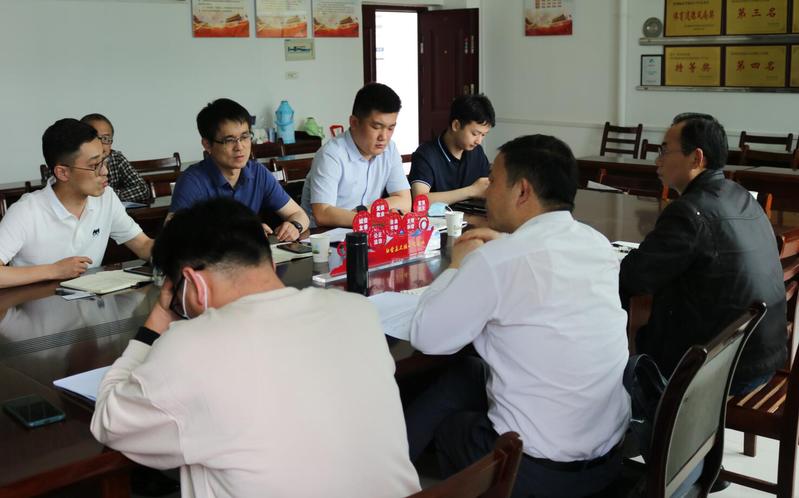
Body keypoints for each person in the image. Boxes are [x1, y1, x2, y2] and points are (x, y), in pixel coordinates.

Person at [90, 197, 420, 498]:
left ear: (193, 283)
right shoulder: (356, 311)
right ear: (271, 263)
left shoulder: (191, 346)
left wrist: (159, 318)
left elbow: (109, 421)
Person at [405, 135, 630, 498]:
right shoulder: (595, 243)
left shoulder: (496, 262)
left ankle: (383, 476)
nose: (486, 191)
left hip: (535, 473)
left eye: (493, 181)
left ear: (522, 191)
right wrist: (505, 247)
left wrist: (458, 265)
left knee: (450, 427)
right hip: (606, 462)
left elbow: (428, 337)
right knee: (467, 373)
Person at [620, 113, 787, 396]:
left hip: (721, 372)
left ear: (696, 158)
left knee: (618, 374)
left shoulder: (689, 211)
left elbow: (634, 277)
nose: (657, 160)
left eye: (664, 151)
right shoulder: (740, 195)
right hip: (764, 357)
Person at [0, 119, 153, 289]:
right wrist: (53, 270)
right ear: (63, 172)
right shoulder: (26, 211)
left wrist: (173, 250)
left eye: (104, 161)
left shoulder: (106, 198)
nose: (105, 171)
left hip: (88, 302)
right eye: (94, 165)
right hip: (36, 301)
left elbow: (143, 245)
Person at [169, 98, 309, 241]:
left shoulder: (257, 173)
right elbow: (172, 235)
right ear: (207, 145)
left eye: (245, 137)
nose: (240, 147)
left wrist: (294, 226)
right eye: (229, 140)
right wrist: (241, 232)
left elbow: (300, 215)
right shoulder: (192, 181)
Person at [301, 83, 411, 228]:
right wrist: (376, 220)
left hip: (366, 230)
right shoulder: (331, 154)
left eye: (390, 128)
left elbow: (405, 201)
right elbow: (323, 213)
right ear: (354, 122)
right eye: (376, 127)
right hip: (325, 235)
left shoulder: (390, 149)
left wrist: (365, 212)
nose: (384, 137)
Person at [408, 94, 494, 205]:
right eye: (475, 133)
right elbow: (420, 201)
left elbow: (486, 185)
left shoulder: (477, 152)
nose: (479, 141)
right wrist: (471, 191)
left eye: (483, 135)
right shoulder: (426, 154)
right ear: (456, 125)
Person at [80, 113, 151, 204]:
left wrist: (108, 196)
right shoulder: (76, 162)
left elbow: (142, 189)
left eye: (106, 138)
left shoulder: (116, 158)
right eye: (94, 138)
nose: (101, 144)